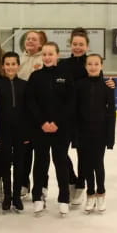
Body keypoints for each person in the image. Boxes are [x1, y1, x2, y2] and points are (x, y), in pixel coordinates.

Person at [60, 27, 115, 206]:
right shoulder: (63, 64)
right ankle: (73, 180)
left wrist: (113, 84)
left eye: (81, 44)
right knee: (61, 153)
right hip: (66, 117)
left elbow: (101, 84)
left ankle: (82, 186)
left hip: (87, 121)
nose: (77, 47)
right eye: (75, 44)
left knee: (88, 159)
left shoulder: (91, 62)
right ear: (70, 44)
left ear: (87, 46)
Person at [26, 42, 74, 216]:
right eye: (44, 54)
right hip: (40, 129)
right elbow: (31, 102)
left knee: (60, 162)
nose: (47, 57)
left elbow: (70, 102)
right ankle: (38, 197)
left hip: (61, 129)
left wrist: (57, 123)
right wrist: (42, 123)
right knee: (40, 162)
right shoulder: (35, 76)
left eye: (50, 54)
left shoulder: (66, 76)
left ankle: (64, 198)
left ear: (57, 55)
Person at [74, 54, 116, 213]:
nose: (93, 66)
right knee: (85, 165)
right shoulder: (79, 85)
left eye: (96, 64)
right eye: (90, 64)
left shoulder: (107, 86)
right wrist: (75, 136)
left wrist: (110, 137)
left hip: (100, 133)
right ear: (86, 66)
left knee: (98, 164)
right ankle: (90, 193)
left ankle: (101, 193)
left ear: (101, 66)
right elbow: (75, 112)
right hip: (83, 133)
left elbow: (111, 113)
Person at [0, 52, 29, 212]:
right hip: (3, 132)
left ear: (18, 66)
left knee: (20, 165)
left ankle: (16, 197)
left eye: (13, 64)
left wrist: (28, 134)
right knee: (5, 165)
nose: (10, 67)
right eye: (7, 64)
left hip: (21, 132)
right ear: (3, 66)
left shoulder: (25, 85)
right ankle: (7, 196)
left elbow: (29, 111)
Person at [17, 30, 48, 199]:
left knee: (42, 152)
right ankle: (23, 183)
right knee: (25, 150)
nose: (29, 41)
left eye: (34, 39)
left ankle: (42, 184)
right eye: (28, 38)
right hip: (24, 113)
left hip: (41, 113)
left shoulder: (45, 58)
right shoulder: (19, 59)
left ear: (41, 43)